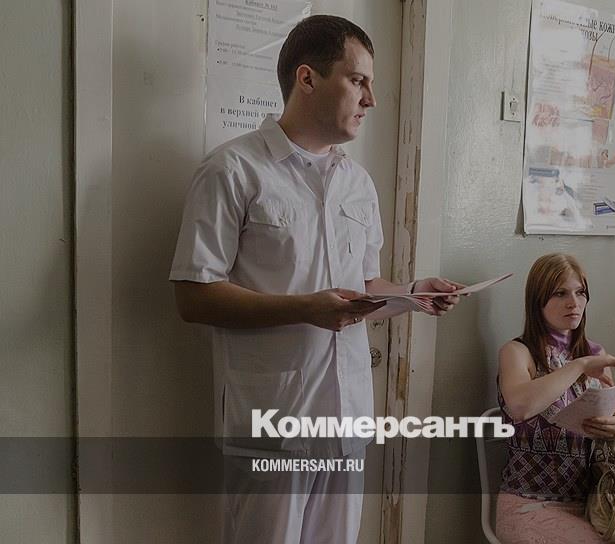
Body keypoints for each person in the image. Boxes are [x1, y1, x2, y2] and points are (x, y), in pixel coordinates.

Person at [169, 15, 461, 544]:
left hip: (346, 420)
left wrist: (413, 294)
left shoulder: (357, 184)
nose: (371, 99)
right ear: (307, 78)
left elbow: (363, 288)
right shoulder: (233, 170)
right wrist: (307, 308)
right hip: (273, 425)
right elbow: (194, 296)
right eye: (358, 80)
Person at [495, 253, 615, 543]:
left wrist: (614, 425)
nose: (573, 303)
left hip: (597, 503)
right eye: (560, 293)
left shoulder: (595, 352)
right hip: (530, 505)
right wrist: (580, 365)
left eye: (580, 293)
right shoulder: (517, 352)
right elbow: (521, 406)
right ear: (538, 301)